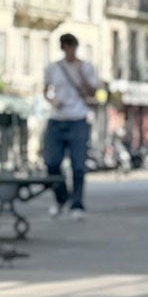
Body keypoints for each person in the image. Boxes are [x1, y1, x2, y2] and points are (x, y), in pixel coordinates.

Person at [42, 33, 99, 216]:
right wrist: (53, 102)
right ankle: (61, 198)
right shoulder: (53, 68)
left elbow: (92, 92)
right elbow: (45, 91)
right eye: (67, 46)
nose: (70, 50)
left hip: (78, 118)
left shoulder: (87, 67)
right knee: (51, 162)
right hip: (57, 119)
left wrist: (81, 75)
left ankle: (77, 204)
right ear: (62, 47)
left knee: (78, 165)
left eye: (73, 46)